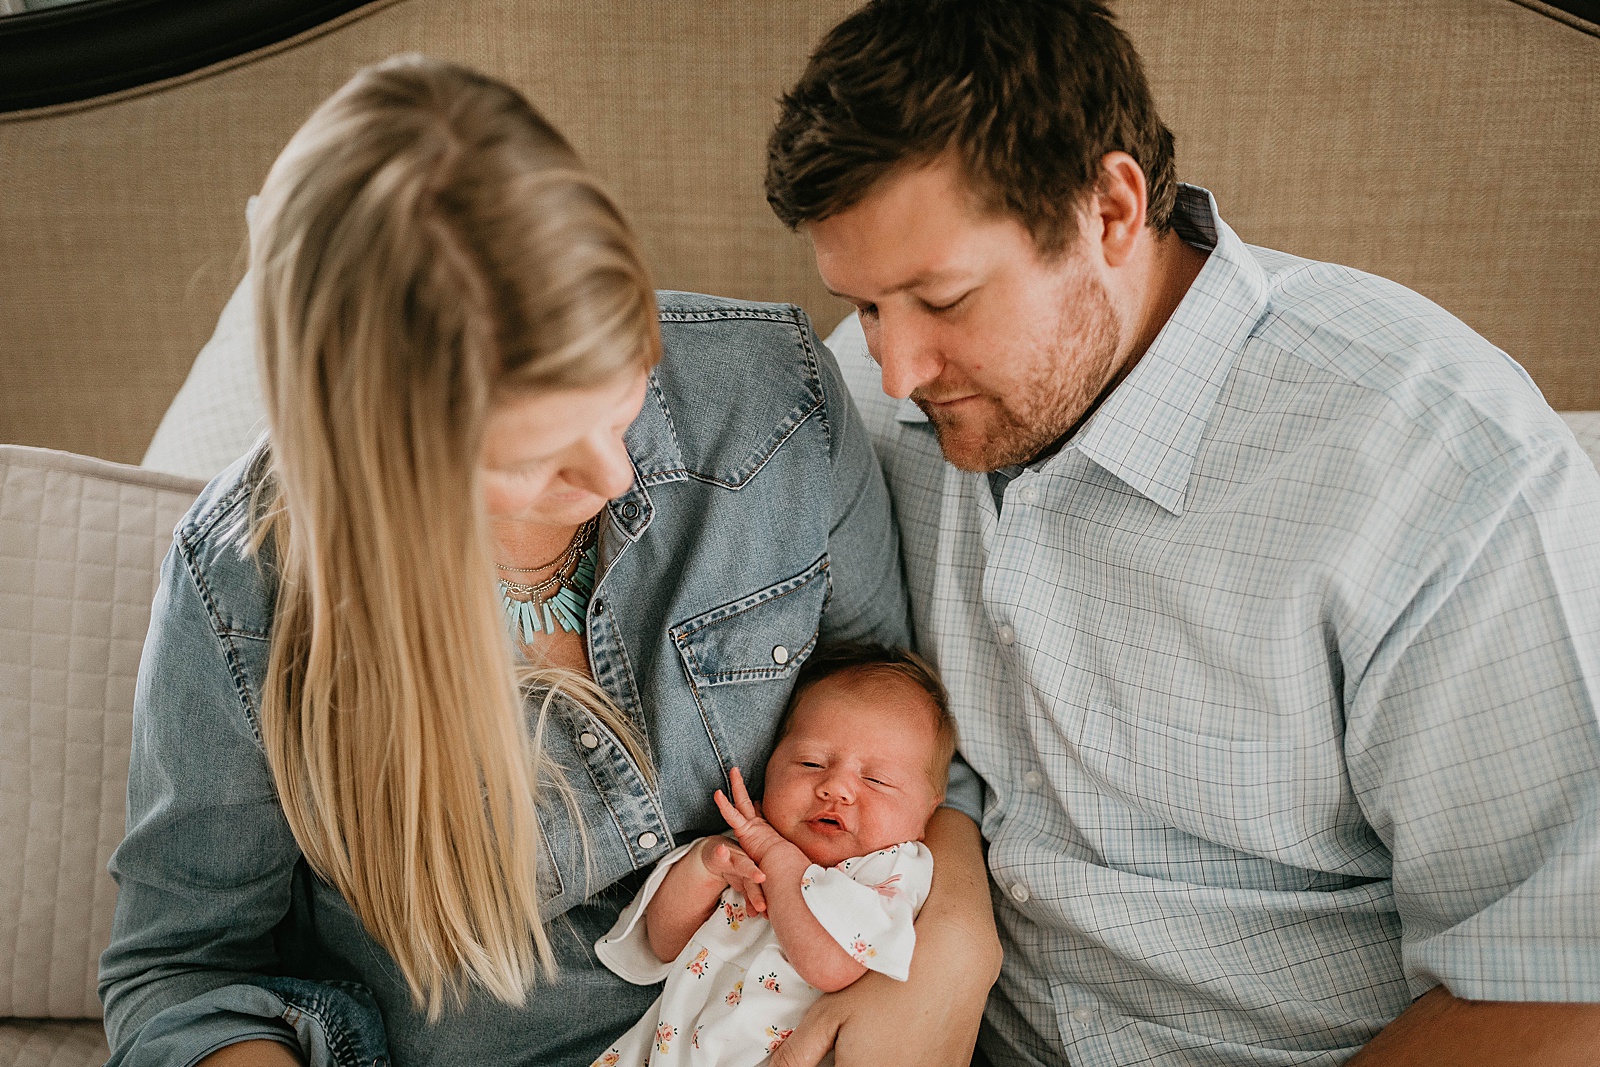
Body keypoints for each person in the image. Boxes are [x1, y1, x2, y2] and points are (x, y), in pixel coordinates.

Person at [98, 55, 1000, 1067]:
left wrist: (954, 944)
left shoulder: (773, 403)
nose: (616, 475)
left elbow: (913, 733)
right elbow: (182, 969)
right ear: (378, 456)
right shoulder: (247, 590)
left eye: (623, 388)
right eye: (534, 454)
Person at [763, 1, 1600, 1065]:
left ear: (1108, 209)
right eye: (868, 307)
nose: (895, 370)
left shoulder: (1435, 461)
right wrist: (954, 910)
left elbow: (1564, 987)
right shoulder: (864, 403)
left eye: (943, 298)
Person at [589, 645, 959, 1067]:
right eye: (810, 762)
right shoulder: (748, 845)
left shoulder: (892, 871)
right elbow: (663, 942)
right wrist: (705, 866)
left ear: (926, 814)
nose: (836, 787)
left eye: (875, 779)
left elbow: (831, 966)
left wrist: (778, 858)